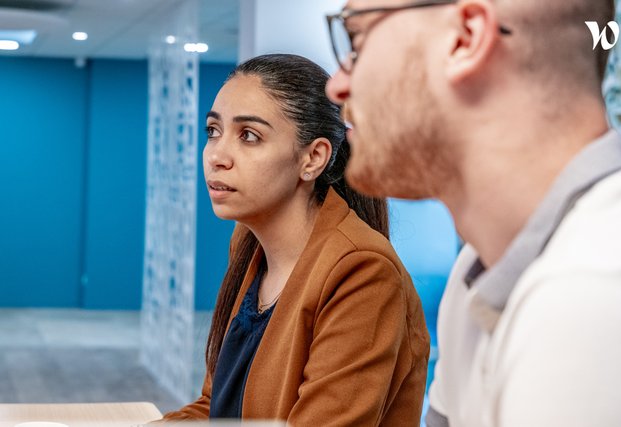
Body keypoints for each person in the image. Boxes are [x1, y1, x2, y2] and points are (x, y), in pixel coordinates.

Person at [325, 1, 621, 426]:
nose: (337, 85)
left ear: (465, 38)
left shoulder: (594, 293)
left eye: (356, 40)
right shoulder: (475, 273)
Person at [160, 54, 429, 425]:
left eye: (249, 136)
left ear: (313, 158)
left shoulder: (363, 271)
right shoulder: (248, 245)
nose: (217, 156)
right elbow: (215, 408)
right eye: (213, 131)